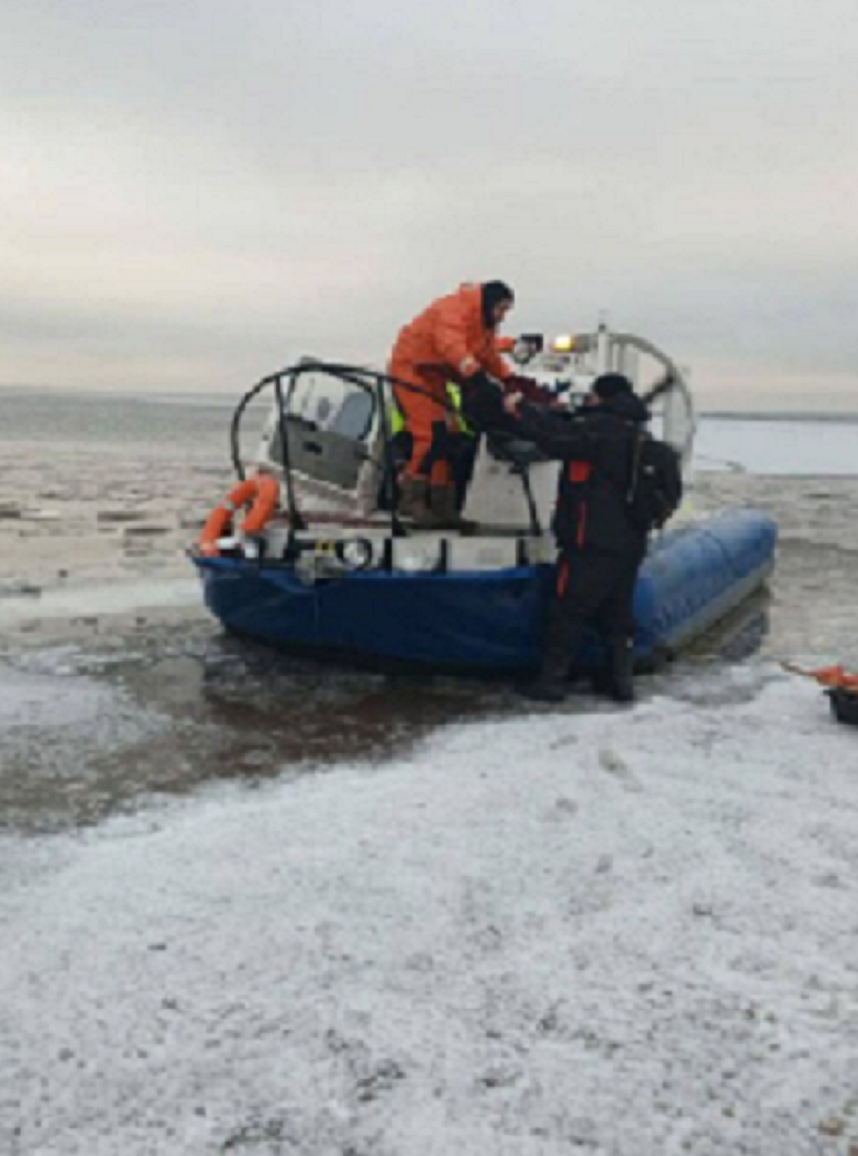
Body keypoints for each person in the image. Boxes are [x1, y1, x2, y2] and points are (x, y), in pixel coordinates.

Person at [507, 372, 681, 704]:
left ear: (600, 398)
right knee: (617, 614)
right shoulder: (643, 440)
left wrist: (521, 410)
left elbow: (552, 438)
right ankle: (620, 684)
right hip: (631, 543)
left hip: (591, 542)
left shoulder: (597, 434)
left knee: (567, 610)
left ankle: (550, 683)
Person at [388, 281, 516, 528]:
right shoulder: (453, 309)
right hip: (410, 367)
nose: (502, 316)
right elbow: (450, 344)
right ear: (489, 303)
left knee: (449, 435)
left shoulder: (483, 326)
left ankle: (442, 503)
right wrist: (474, 373)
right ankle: (412, 498)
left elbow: (488, 355)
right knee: (430, 431)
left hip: (436, 373)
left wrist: (510, 380)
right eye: (501, 309)